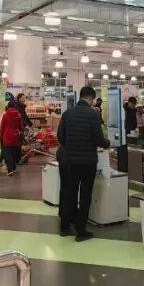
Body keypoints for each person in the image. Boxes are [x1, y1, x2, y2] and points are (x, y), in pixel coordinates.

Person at [57, 86, 110, 241]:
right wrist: (107, 143)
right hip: (87, 162)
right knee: (85, 195)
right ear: (91, 98)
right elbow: (98, 139)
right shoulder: (93, 115)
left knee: (69, 192)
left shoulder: (67, 114)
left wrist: (71, 146)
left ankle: (65, 227)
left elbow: (60, 137)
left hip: (70, 161)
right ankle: (81, 230)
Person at [0, 99, 24, 175]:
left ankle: (10, 169)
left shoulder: (5, 115)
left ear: (8, 106)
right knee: (14, 152)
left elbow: (2, 127)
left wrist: (1, 136)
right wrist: (20, 133)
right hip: (16, 136)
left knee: (7, 153)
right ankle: (13, 168)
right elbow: (21, 126)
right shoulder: (18, 114)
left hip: (7, 136)